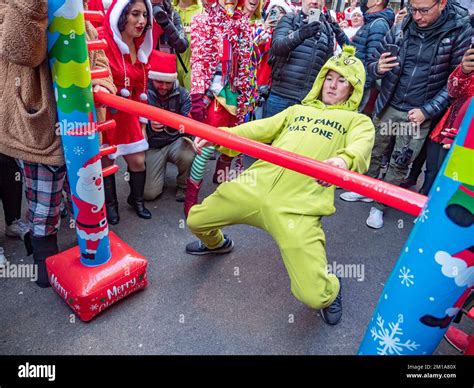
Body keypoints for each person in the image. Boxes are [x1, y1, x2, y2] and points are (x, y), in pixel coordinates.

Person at [185, 46, 375, 325]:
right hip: (254, 187)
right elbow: (257, 129)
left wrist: (343, 162)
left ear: (353, 88)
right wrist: (217, 135)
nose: (333, 85)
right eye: (329, 78)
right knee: (195, 220)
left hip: (297, 206)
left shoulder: (358, 121)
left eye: (342, 80)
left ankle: (331, 290)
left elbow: (361, 146)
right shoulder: (296, 111)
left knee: (314, 296)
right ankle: (217, 244)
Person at [0, 0, 115, 287]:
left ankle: (88, 252)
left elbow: (97, 53)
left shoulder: (76, 7)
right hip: (40, 128)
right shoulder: (9, 7)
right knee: (43, 203)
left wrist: (103, 84)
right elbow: (24, 50)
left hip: (82, 129)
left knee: (84, 192)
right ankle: (44, 260)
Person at [340, 0, 472, 229]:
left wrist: (427, 110)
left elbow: (455, 82)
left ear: (441, 3)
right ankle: (365, 189)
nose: (418, 16)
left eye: (424, 10)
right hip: (389, 102)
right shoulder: (401, 25)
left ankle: (380, 204)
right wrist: (377, 68)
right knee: (374, 149)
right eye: (414, 9)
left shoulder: (459, 30)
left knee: (400, 160)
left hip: (418, 111)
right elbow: (372, 61)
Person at [183, 0, 253, 215]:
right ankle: (191, 199)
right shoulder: (203, 20)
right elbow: (199, 61)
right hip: (215, 95)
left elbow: (247, 63)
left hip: (237, 94)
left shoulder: (243, 24)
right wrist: (197, 96)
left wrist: (248, 93)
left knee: (231, 146)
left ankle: (221, 191)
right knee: (206, 147)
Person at [101, 0, 155, 225]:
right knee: (107, 160)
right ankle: (110, 205)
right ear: (121, 16)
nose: (142, 21)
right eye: (135, 14)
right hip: (106, 113)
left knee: (138, 159)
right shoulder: (103, 42)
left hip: (131, 112)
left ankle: (136, 199)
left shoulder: (140, 46)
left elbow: (141, 90)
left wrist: (143, 124)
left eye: (144, 15)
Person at [265, 0, 349, 118]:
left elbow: (342, 58)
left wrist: (340, 34)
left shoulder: (328, 29)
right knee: (268, 136)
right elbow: (277, 48)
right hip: (281, 96)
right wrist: (301, 34)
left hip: (307, 102)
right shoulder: (290, 19)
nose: (314, 1)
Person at [420, 47, 474, 195]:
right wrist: (464, 71)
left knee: (454, 179)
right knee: (432, 169)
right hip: (450, 123)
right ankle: (423, 204)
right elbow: (452, 91)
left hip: (468, 135)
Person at [143, 50, 195, 202]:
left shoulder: (183, 94)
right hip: (153, 145)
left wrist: (171, 123)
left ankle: (183, 185)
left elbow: (189, 125)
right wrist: (148, 124)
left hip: (175, 141)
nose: (164, 86)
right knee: (149, 195)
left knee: (187, 154)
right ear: (152, 78)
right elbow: (133, 121)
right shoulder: (143, 93)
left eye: (168, 82)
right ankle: (156, 173)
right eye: (159, 81)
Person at [172, 0, 203, 90]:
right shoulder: (169, 9)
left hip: (193, 73)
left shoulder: (203, 11)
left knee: (192, 103)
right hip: (170, 72)